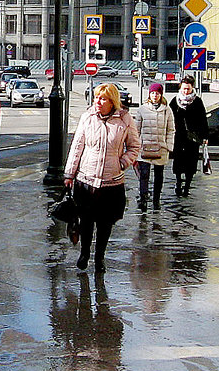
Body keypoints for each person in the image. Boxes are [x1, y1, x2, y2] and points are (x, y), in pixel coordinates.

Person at [64, 83, 140, 273]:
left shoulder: (124, 119)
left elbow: (134, 147)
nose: (98, 101)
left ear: (112, 101)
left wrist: (122, 162)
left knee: (105, 223)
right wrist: (69, 174)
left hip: (111, 181)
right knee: (86, 220)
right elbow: (77, 146)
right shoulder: (87, 117)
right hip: (86, 179)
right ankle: (84, 254)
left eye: (103, 98)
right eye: (97, 97)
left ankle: (100, 258)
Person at [134, 83, 175, 210]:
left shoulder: (167, 110)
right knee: (144, 174)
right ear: (149, 94)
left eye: (157, 93)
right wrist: (136, 147)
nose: (155, 96)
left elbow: (171, 129)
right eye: (152, 93)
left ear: (161, 94)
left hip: (161, 148)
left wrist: (169, 146)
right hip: (145, 147)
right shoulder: (142, 109)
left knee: (159, 175)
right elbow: (136, 130)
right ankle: (143, 198)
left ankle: (156, 200)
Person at [170, 77, 208, 197]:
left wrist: (205, 136)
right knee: (178, 160)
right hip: (178, 136)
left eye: (188, 88)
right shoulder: (175, 101)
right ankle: (178, 182)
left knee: (191, 162)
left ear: (192, 88)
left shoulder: (197, 101)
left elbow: (203, 119)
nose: (186, 91)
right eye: (184, 88)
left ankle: (187, 185)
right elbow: (169, 118)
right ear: (180, 87)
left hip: (193, 138)